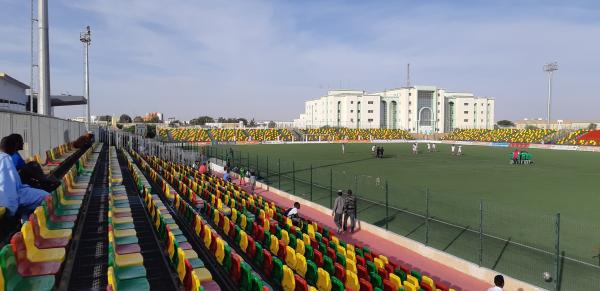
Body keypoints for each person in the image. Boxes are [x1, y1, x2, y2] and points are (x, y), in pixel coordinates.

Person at [0, 151, 49, 221]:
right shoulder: (3, 158)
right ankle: (26, 222)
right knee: (45, 197)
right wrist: (10, 211)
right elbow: (8, 188)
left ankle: (25, 219)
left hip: (11, 196)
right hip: (9, 200)